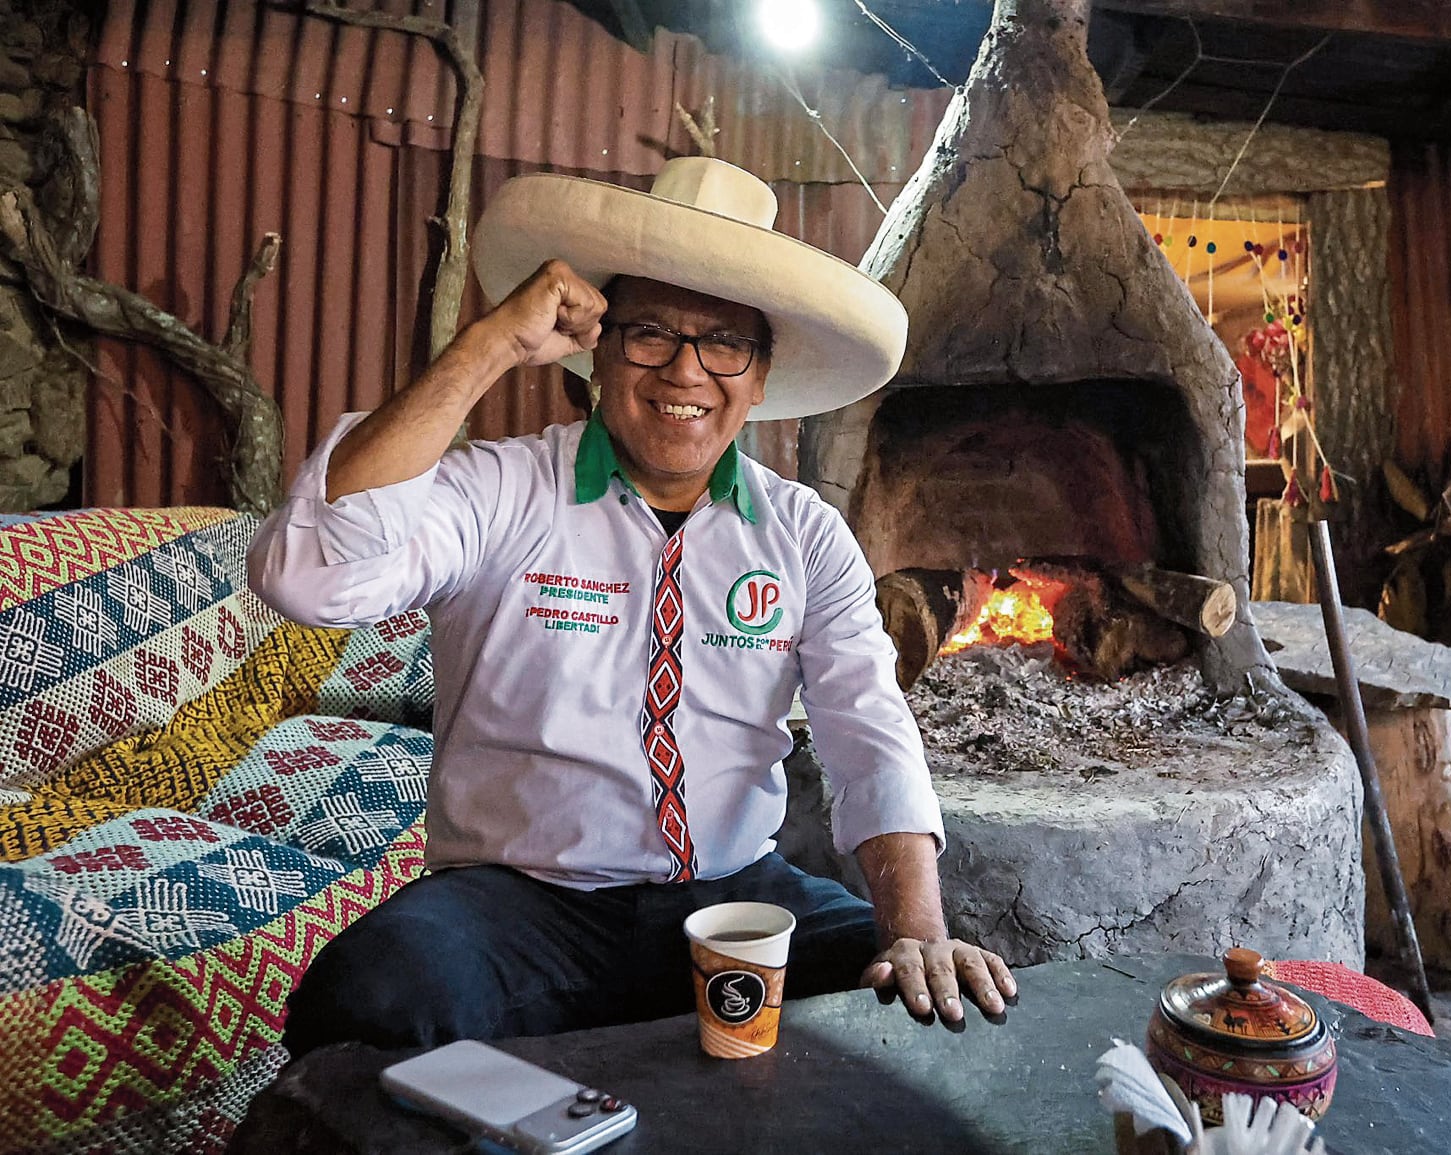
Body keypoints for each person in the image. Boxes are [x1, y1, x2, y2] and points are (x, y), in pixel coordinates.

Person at [248, 157, 1016, 1058]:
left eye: (724, 342)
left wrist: (917, 927)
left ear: (759, 378)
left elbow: (868, 730)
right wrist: (487, 344)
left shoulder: (804, 532)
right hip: (521, 904)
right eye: (649, 331)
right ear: (597, 353)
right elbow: (307, 571)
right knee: (369, 1003)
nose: (685, 370)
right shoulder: (504, 491)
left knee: (922, 1013)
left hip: (738, 896)